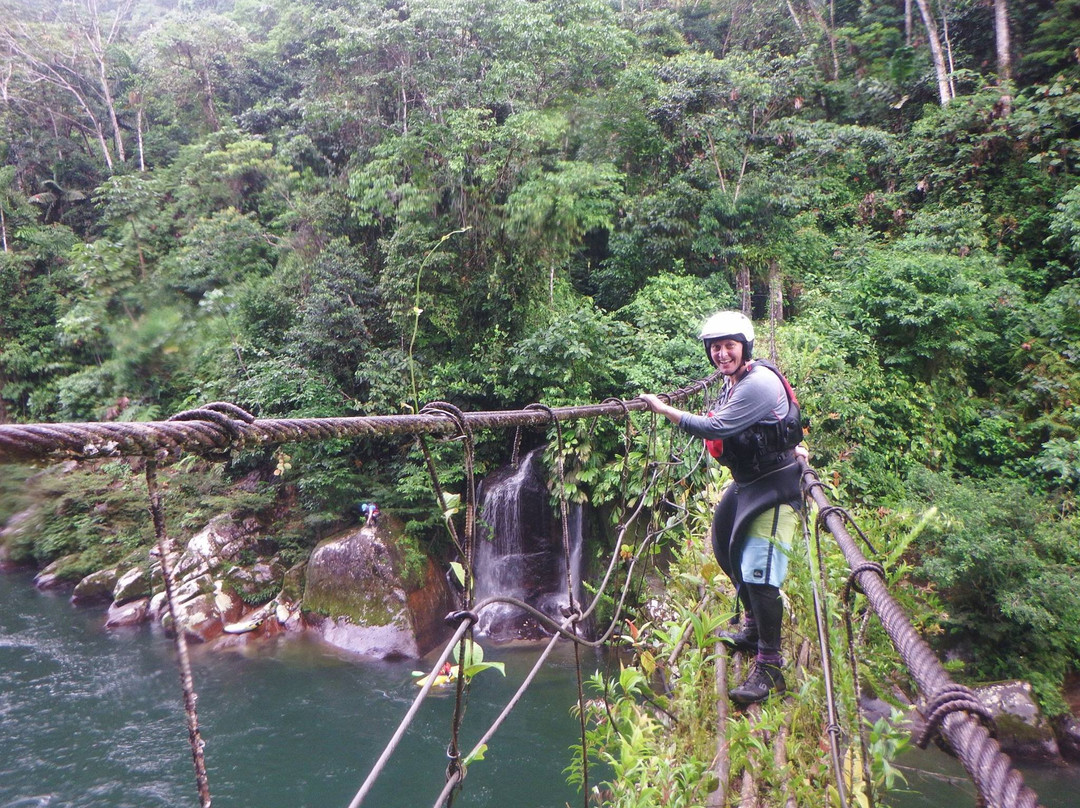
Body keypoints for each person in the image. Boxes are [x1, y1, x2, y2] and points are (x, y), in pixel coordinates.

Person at [639, 311, 805, 705]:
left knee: (760, 573)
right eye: (715, 347)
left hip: (776, 485)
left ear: (744, 347)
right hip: (750, 482)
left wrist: (665, 410)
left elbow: (714, 429)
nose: (721, 353)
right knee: (723, 543)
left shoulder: (757, 383)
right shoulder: (736, 381)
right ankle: (751, 627)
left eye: (729, 346)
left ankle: (769, 666)